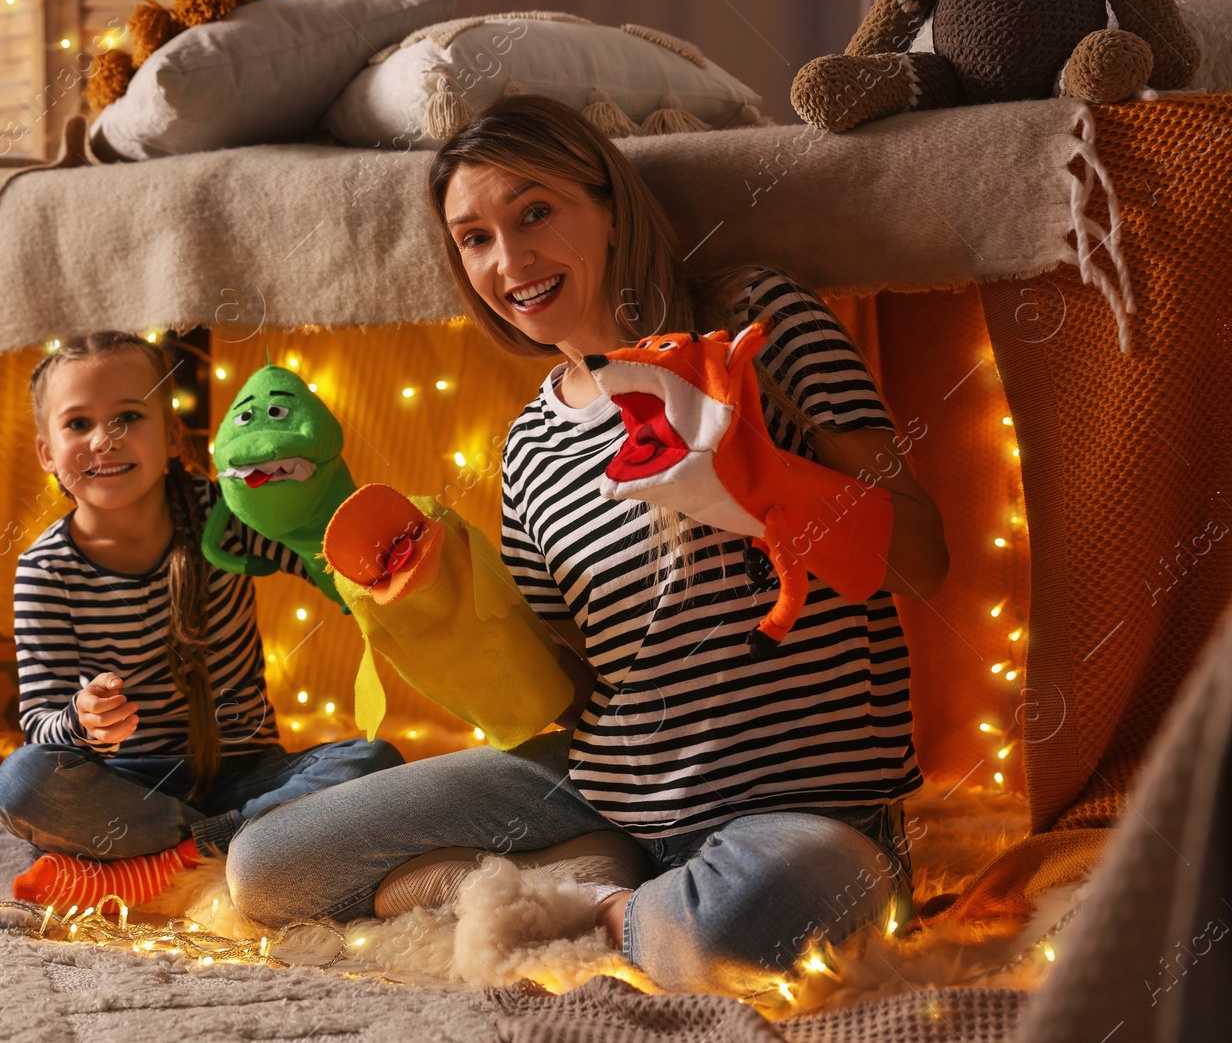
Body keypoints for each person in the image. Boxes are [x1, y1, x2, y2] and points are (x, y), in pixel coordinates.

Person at [225, 96, 948, 994]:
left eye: (535, 212)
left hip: (802, 817)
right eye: (475, 238)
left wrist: (765, 487)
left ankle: (590, 903)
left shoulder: (759, 321)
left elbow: (924, 558)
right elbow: (563, 689)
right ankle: (610, 880)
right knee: (268, 867)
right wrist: (441, 610)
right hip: (604, 788)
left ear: (610, 206)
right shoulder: (530, 443)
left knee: (724, 931)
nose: (510, 261)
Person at [0, 331, 402, 883]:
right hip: (126, 787)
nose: (104, 441)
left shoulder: (224, 517)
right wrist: (83, 721)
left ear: (171, 437)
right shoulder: (46, 569)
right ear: (47, 452)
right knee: (21, 783)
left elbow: (322, 558)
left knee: (371, 764)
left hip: (246, 772)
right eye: (77, 424)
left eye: (129, 417)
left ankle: (164, 861)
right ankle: (239, 844)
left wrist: (322, 513)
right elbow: (41, 725)